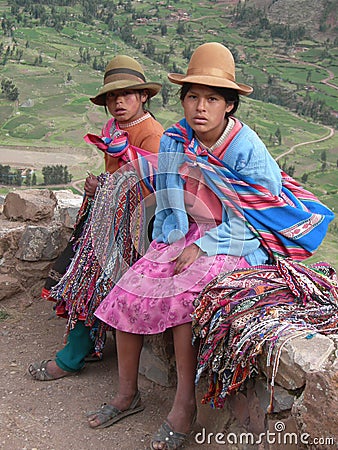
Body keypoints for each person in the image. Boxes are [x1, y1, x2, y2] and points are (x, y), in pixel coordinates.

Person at [85, 42, 288, 449]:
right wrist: (164, 242)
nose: (200, 107)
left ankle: (184, 407)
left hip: (236, 242)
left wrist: (207, 244)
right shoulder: (177, 138)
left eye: (211, 98)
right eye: (192, 96)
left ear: (229, 105)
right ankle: (128, 394)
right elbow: (167, 194)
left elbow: (261, 213)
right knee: (130, 287)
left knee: (183, 299)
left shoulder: (247, 149)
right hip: (184, 233)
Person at [28, 54, 164, 381]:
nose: (119, 101)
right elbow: (119, 174)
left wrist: (105, 186)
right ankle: (87, 347)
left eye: (127, 94)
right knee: (79, 279)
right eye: (112, 96)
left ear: (144, 95)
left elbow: (154, 186)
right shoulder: (115, 129)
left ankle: (70, 358)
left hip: (131, 229)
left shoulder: (151, 133)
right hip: (107, 221)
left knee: (87, 285)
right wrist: (100, 186)